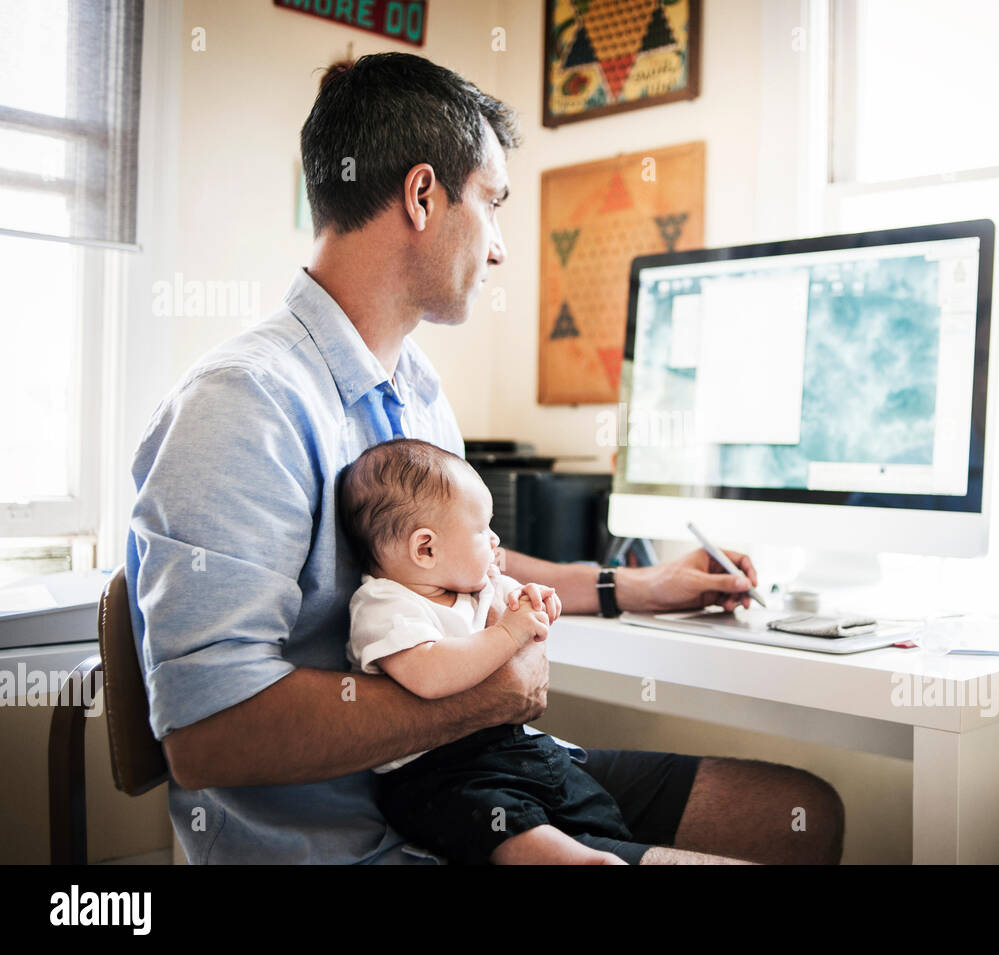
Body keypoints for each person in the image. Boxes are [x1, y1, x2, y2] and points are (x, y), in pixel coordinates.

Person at [126, 51, 844, 864]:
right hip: (370, 836)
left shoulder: (416, 385)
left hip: (487, 768)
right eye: (493, 206)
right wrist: (484, 696)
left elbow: (463, 561)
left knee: (798, 813)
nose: (499, 249)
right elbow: (207, 734)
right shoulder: (242, 406)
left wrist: (637, 585)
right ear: (424, 195)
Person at [341, 438, 652, 865]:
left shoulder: (473, 587)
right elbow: (431, 676)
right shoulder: (385, 605)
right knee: (497, 818)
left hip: (507, 746)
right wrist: (508, 633)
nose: (495, 539)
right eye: (482, 529)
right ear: (425, 549)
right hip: (439, 771)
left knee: (579, 794)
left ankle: (597, 842)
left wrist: (534, 601)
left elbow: (514, 605)